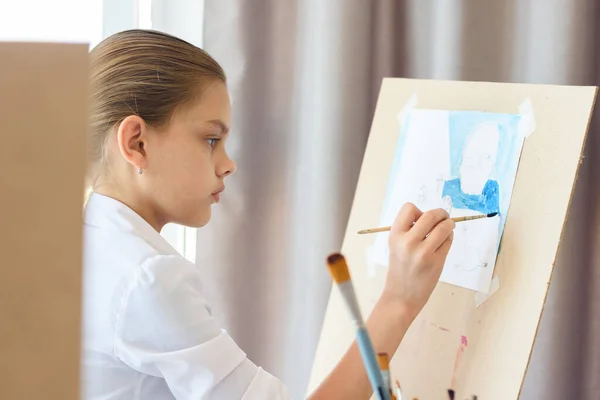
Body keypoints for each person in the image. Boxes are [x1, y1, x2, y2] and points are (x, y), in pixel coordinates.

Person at [81, 29, 455, 400]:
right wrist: (399, 299)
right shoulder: (149, 279)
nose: (228, 164)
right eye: (212, 139)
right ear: (136, 142)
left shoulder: (88, 244)